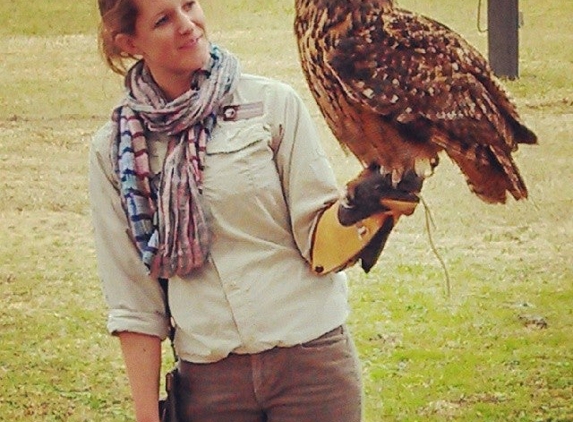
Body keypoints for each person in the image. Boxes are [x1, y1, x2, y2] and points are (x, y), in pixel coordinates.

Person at [90, 0, 422, 421]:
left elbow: (317, 239)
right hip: (209, 383)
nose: (187, 25)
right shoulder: (114, 151)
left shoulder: (273, 104)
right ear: (129, 42)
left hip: (311, 366)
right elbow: (134, 298)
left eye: (189, 4)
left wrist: (365, 209)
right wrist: (146, 415)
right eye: (162, 20)